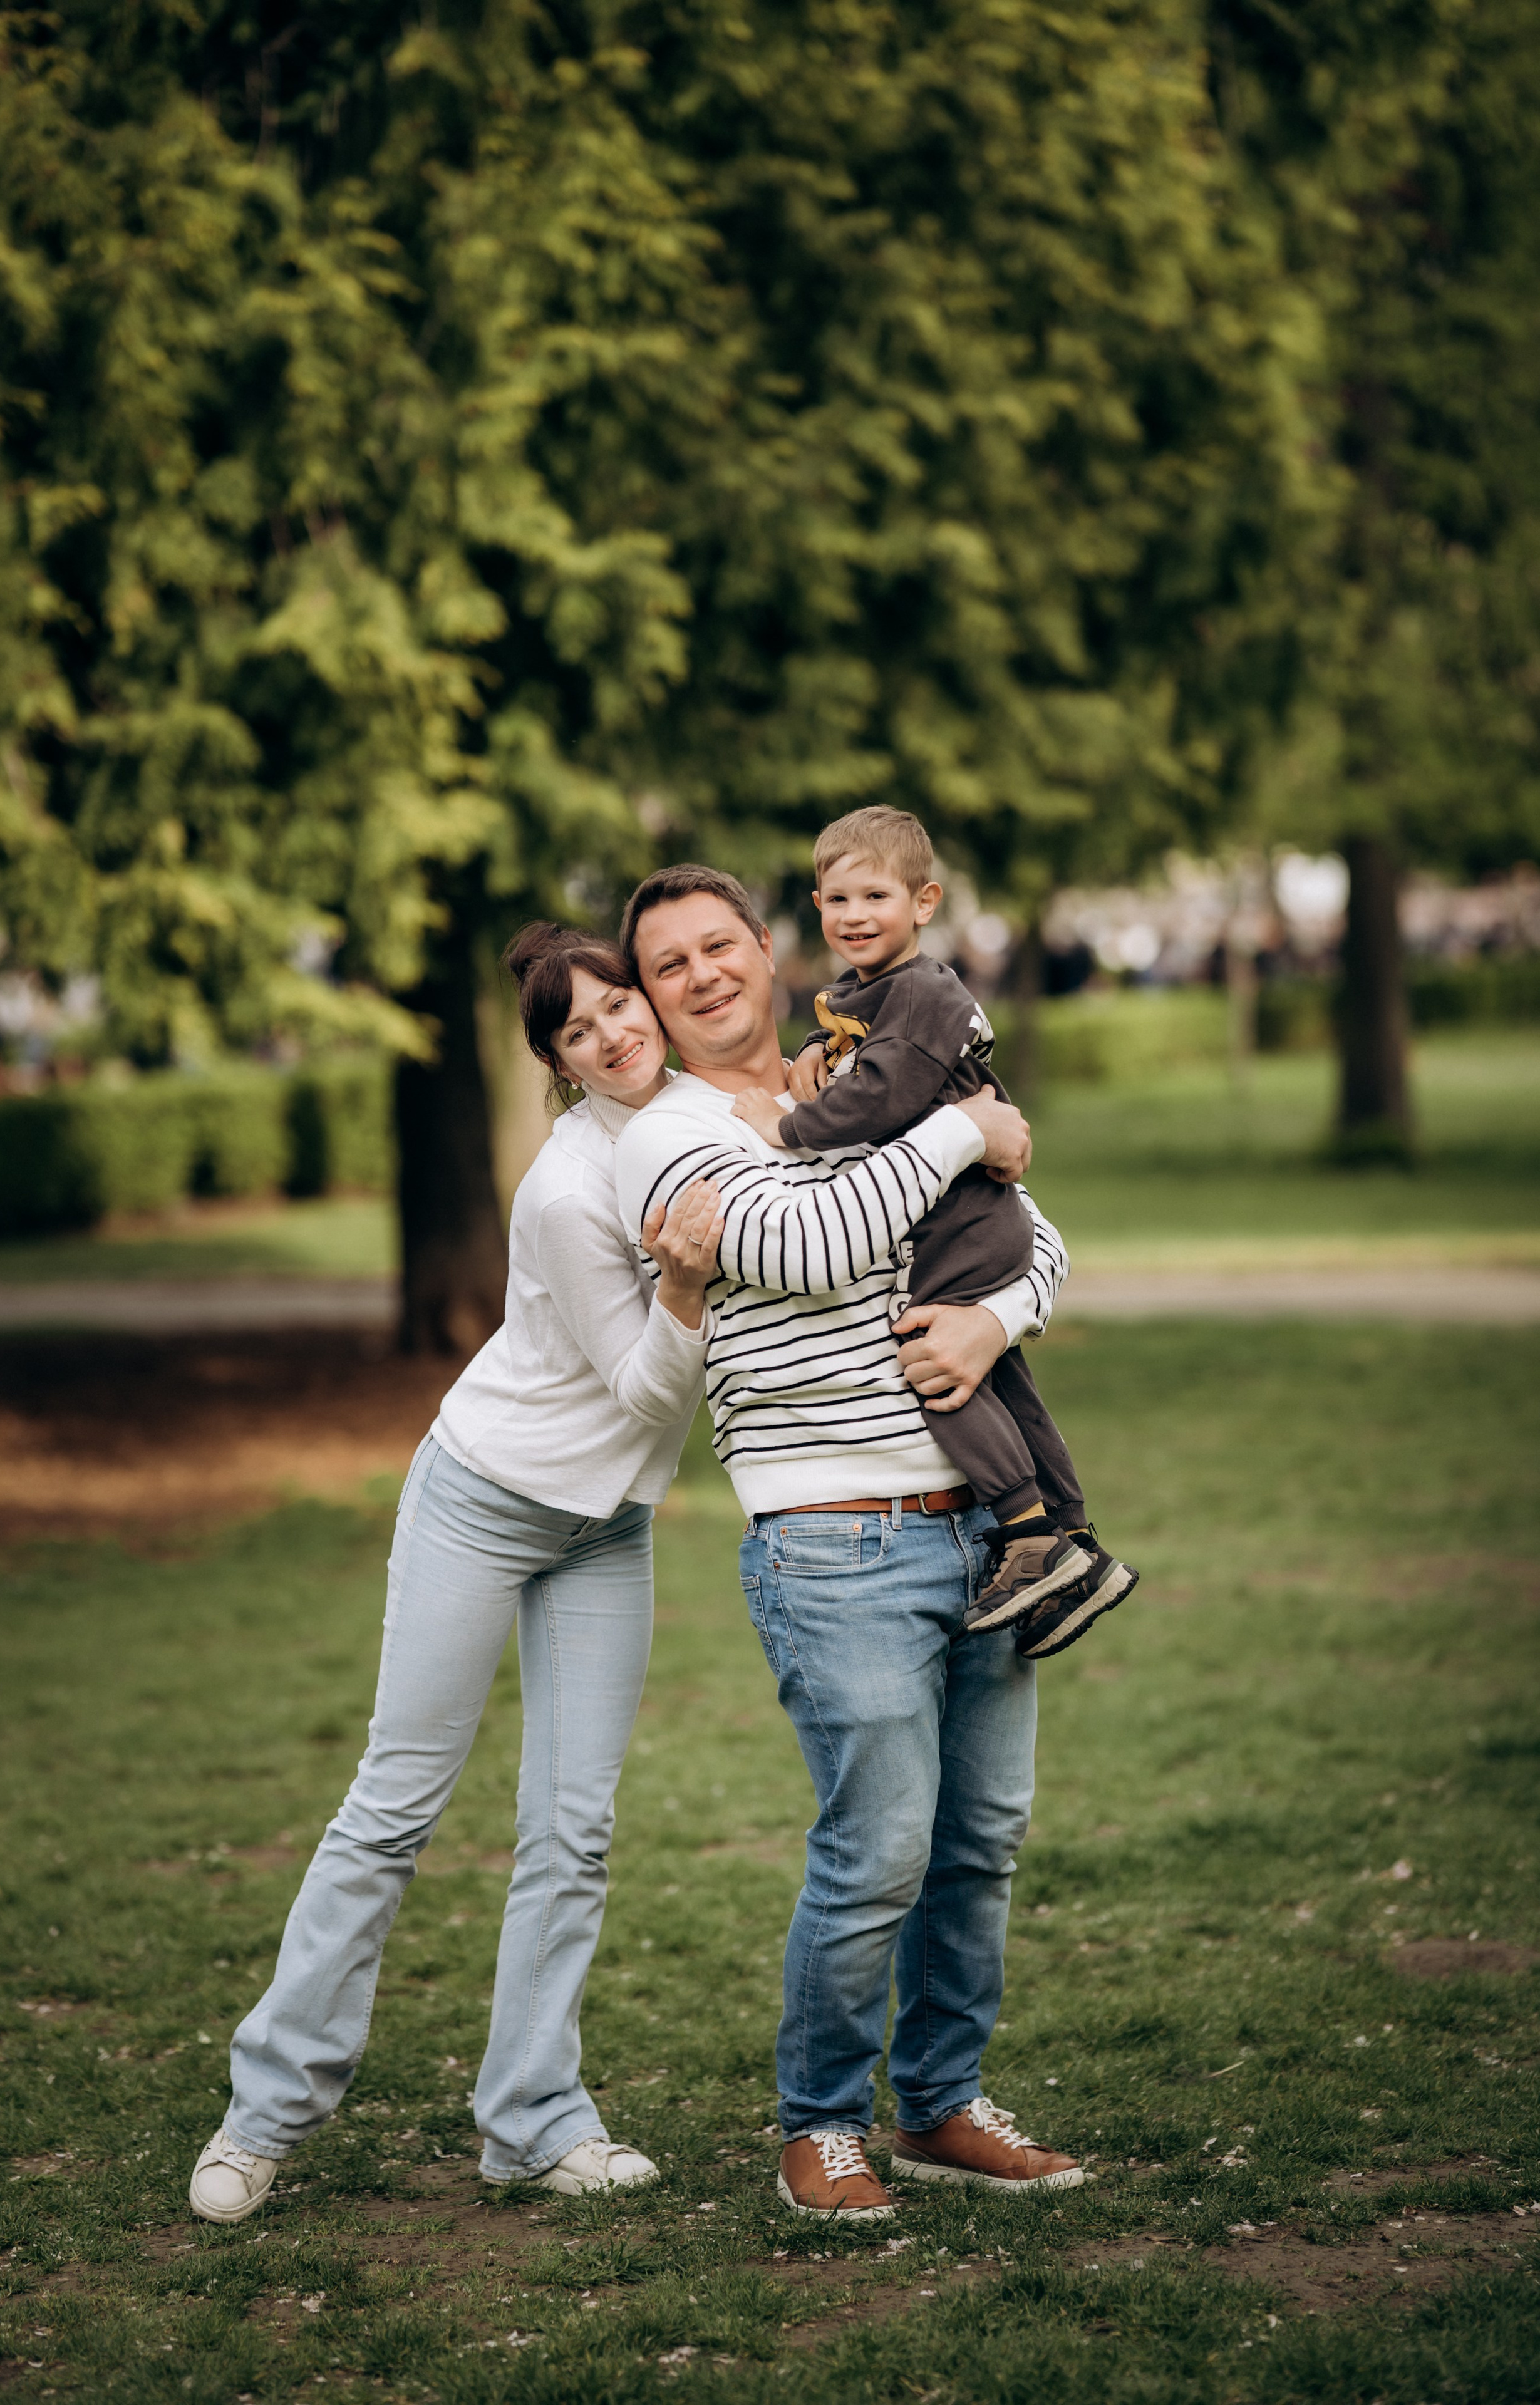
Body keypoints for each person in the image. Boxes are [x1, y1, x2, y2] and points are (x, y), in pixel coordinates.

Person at [187, 924, 726, 2223]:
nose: (613, 1034)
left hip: (602, 1528)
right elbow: (652, 1383)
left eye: (619, 1004)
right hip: (483, 1499)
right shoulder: (560, 1190)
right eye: (577, 1031)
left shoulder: (703, 1112)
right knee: (394, 1805)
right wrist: (686, 1285)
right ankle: (262, 2118)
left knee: (573, 1829)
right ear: (553, 1062)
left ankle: (533, 2120)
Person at [613, 864, 1086, 2221]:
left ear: (764, 951)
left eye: (718, 945)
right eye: (668, 966)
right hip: (832, 1536)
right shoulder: (674, 1136)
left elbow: (1033, 1242)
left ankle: (940, 2103)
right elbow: (816, 1239)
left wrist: (994, 1324)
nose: (702, 976)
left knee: (980, 1837)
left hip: (985, 1526)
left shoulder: (853, 1075)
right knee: (877, 1845)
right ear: (648, 999)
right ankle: (817, 2124)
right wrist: (965, 1134)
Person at [733, 804, 1137, 1659]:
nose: (854, 916)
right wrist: (816, 1048)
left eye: (875, 896)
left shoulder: (921, 991)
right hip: (965, 1218)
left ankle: (1027, 1533)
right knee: (1001, 1374)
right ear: (815, 905)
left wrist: (787, 1127)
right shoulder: (873, 991)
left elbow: (881, 1094)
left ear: (924, 902)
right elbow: (860, 1045)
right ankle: (1074, 1542)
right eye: (836, 899)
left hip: (964, 1222)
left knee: (936, 1366)